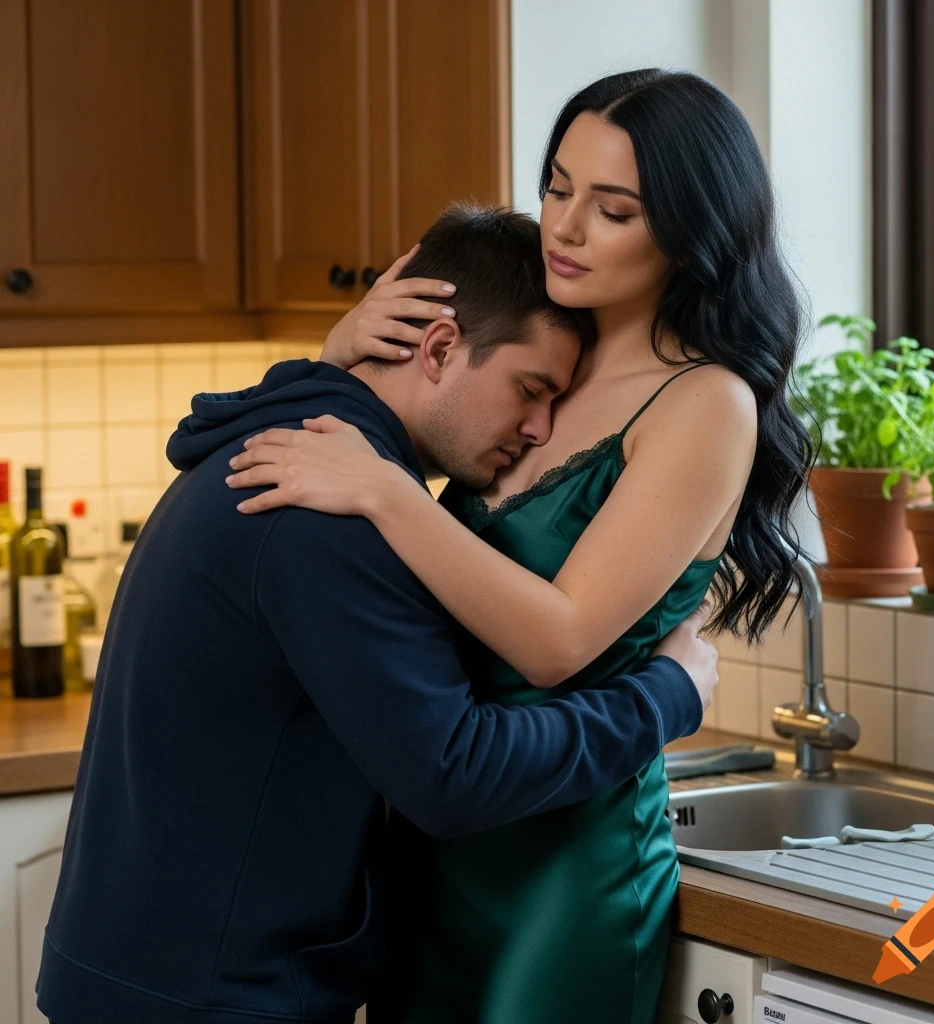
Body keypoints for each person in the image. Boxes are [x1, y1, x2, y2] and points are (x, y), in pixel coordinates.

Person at [34, 205, 720, 1024]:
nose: (537, 430)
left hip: (149, 978)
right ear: (436, 349)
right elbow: (454, 772)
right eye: (530, 391)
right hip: (211, 1000)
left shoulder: (289, 436)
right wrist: (666, 695)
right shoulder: (326, 512)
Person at [225, 69, 813, 1024]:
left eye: (612, 208)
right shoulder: (540, 345)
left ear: (690, 230)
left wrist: (388, 494)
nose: (565, 227)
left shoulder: (704, 402)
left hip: (562, 871)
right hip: (432, 836)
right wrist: (340, 363)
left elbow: (558, 639)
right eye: (557, 186)